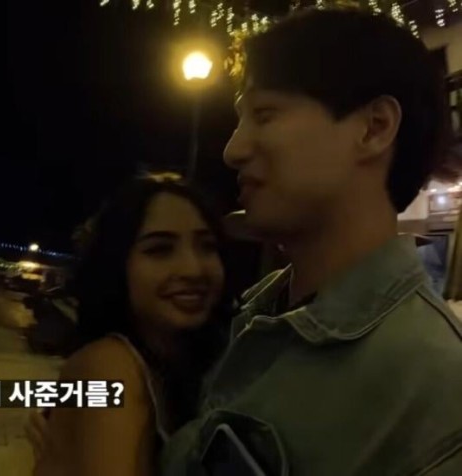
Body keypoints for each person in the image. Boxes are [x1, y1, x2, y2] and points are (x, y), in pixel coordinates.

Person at [158, 7, 462, 475]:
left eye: (264, 115)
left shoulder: (436, 389)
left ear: (374, 127)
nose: (233, 150)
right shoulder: (252, 316)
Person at [28, 173, 237, 475]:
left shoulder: (199, 362)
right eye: (160, 249)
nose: (193, 269)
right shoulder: (109, 367)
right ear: (117, 265)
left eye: (207, 246)